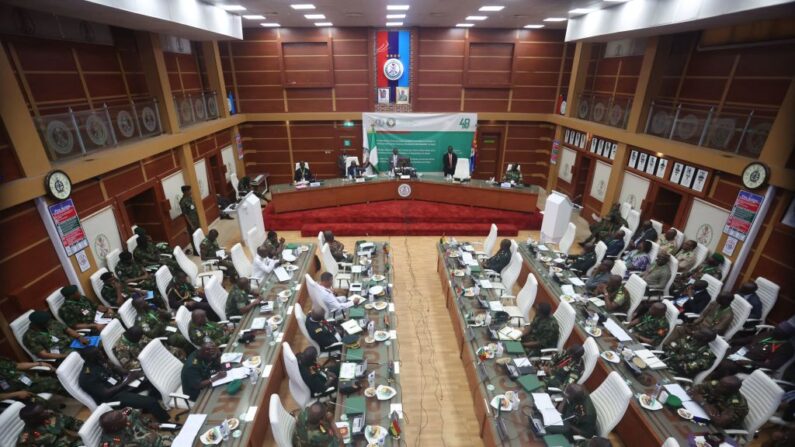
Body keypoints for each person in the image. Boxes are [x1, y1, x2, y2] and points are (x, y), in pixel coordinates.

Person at [78, 347, 170, 422]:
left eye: (100, 352)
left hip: (121, 386)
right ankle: (165, 423)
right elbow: (105, 393)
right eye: (98, 354)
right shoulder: (87, 377)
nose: (101, 354)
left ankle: (151, 407)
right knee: (151, 402)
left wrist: (129, 373)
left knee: (150, 380)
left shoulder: (99, 360)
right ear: (89, 358)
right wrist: (127, 382)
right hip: (114, 397)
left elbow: (114, 368)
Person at [668, 293, 735, 343]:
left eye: (719, 298)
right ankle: (664, 346)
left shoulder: (728, 315)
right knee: (678, 328)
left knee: (682, 338)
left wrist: (695, 332)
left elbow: (715, 331)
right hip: (698, 327)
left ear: (726, 301)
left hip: (705, 334)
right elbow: (703, 315)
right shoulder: (715, 303)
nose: (716, 298)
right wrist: (693, 323)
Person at [114, 326, 185, 370]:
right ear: (133, 338)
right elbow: (129, 365)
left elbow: (149, 342)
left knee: (176, 350)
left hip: (151, 354)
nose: (141, 338)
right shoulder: (121, 348)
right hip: (144, 363)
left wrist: (159, 349)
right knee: (166, 366)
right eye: (139, 338)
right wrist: (149, 361)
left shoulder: (137, 334)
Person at [99, 406, 174, 447]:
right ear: (115, 427)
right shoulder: (109, 443)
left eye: (121, 414)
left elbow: (138, 416)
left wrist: (149, 423)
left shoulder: (127, 413)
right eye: (122, 418)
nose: (124, 416)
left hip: (159, 438)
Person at [17, 403, 82, 447]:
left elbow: (73, 423)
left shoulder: (50, 415)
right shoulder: (27, 438)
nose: (46, 411)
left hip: (76, 441)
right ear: (33, 419)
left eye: (44, 409)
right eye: (42, 412)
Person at [179, 185, 200, 254]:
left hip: (196, 220)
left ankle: (199, 248)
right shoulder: (183, 201)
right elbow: (185, 214)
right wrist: (191, 225)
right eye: (189, 190)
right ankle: (195, 251)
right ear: (185, 192)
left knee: (198, 234)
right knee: (193, 236)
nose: (191, 191)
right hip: (191, 222)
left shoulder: (190, 198)